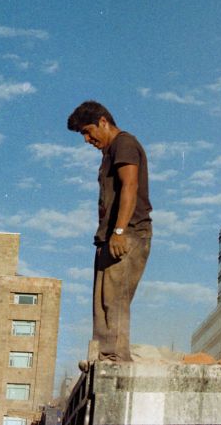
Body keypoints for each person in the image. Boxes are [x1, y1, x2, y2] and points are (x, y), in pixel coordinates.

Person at [67, 100, 152, 363]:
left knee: (113, 299)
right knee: (103, 300)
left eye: (87, 131)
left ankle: (114, 358)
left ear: (103, 122)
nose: (86, 139)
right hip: (110, 236)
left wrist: (119, 231)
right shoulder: (110, 152)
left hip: (127, 233)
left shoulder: (124, 144)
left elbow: (130, 185)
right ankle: (105, 355)